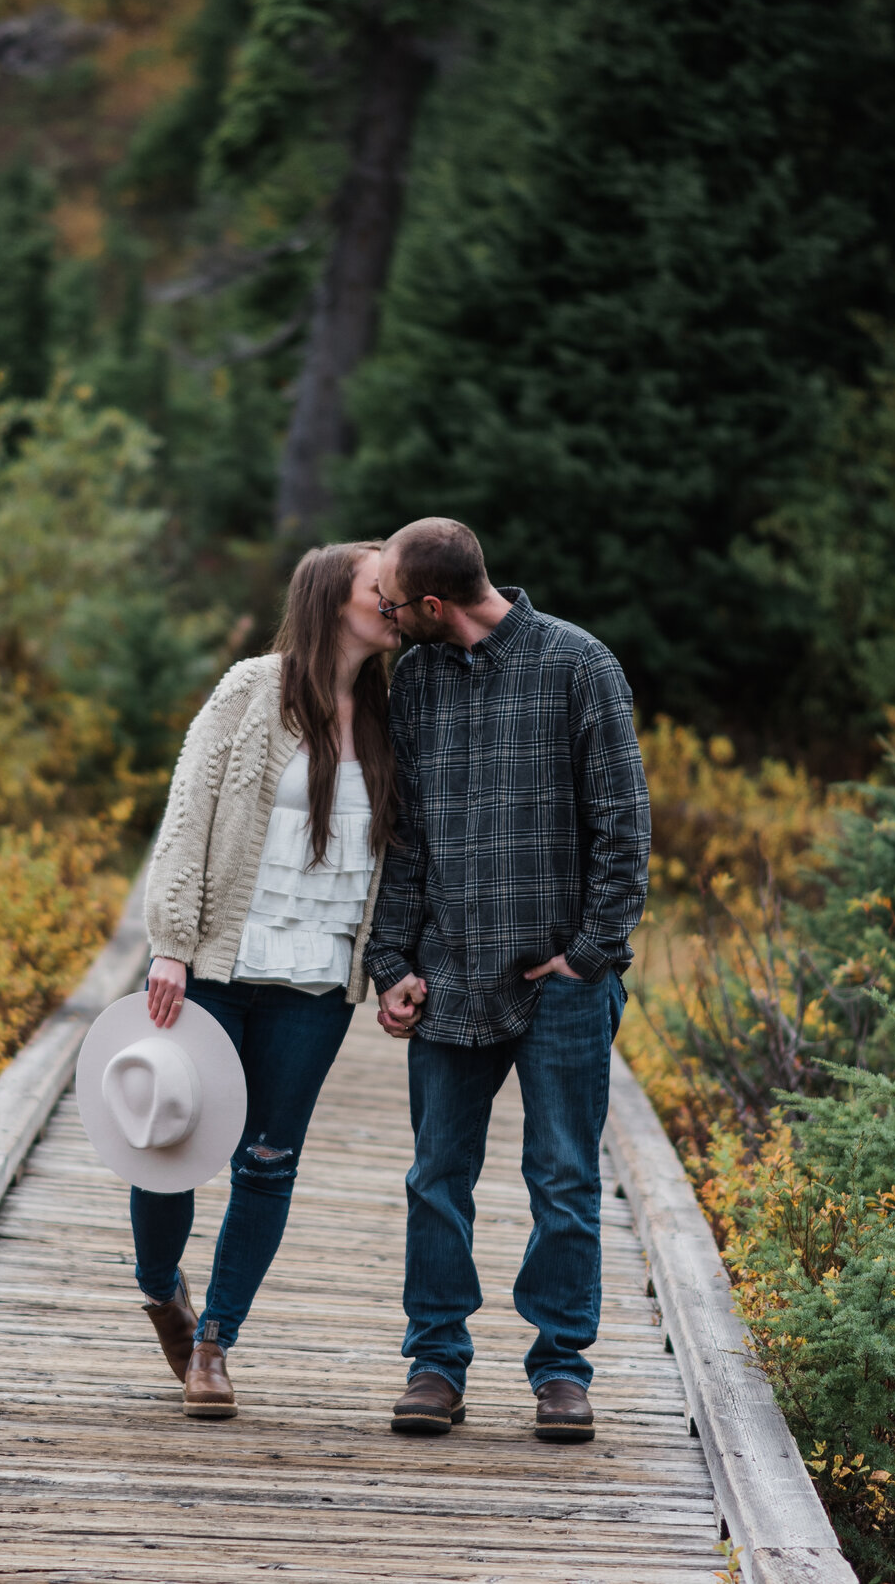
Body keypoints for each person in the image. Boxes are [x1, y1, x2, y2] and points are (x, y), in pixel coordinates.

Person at [364, 516, 650, 1444]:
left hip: (561, 983)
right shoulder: (416, 681)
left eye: (398, 605)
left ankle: (561, 1371)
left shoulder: (580, 665)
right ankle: (435, 1362)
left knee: (564, 1179)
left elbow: (624, 826)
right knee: (436, 1177)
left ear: (437, 603)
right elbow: (405, 835)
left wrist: (590, 953)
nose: (389, 618)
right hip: (449, 978)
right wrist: (392, 963)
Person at [133, 541, 405, 1419]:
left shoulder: (392, 714)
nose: (396, 604)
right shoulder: (250, 691)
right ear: (334, 598)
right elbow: (186, 817)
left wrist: (394, 965)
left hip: (318, 978)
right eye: (381, 591)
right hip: (217, 965)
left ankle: (214, 1340)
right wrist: (170, 942)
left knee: (268, 1161)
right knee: (171, 1147)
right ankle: (158, 1285)